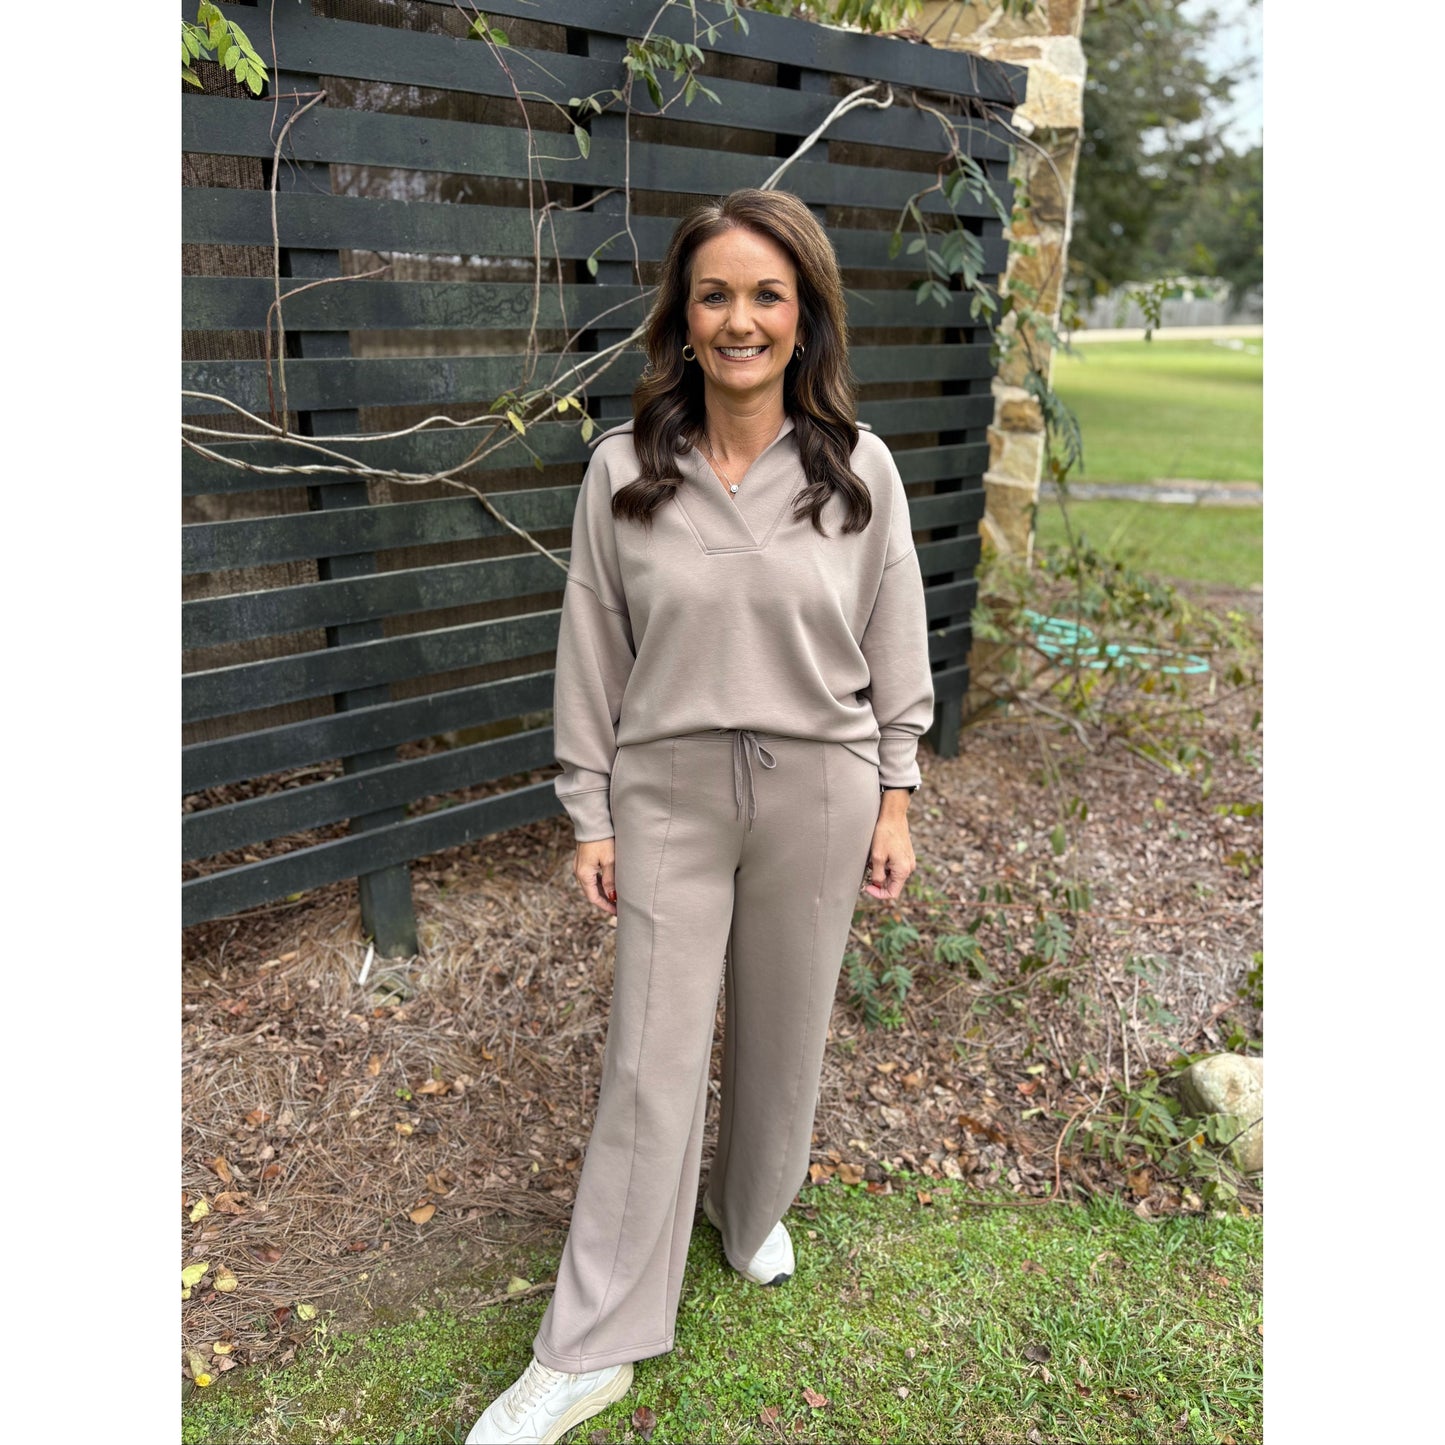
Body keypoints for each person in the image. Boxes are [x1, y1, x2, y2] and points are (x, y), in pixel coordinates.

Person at [466, 187, 934, 1445]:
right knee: (648, 1059)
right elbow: (589, 656)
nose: (739, 320)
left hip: (820, 786)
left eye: (766, 295)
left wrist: (895, 793)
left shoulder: (858, 468)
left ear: (804, 315)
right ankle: (591, 1340)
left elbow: (896, 641)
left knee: (785, 1037)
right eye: (715, 294)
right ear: (682, 315)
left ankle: (749, 1210)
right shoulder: (623, 471)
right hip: (665, 790)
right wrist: (588, 811)